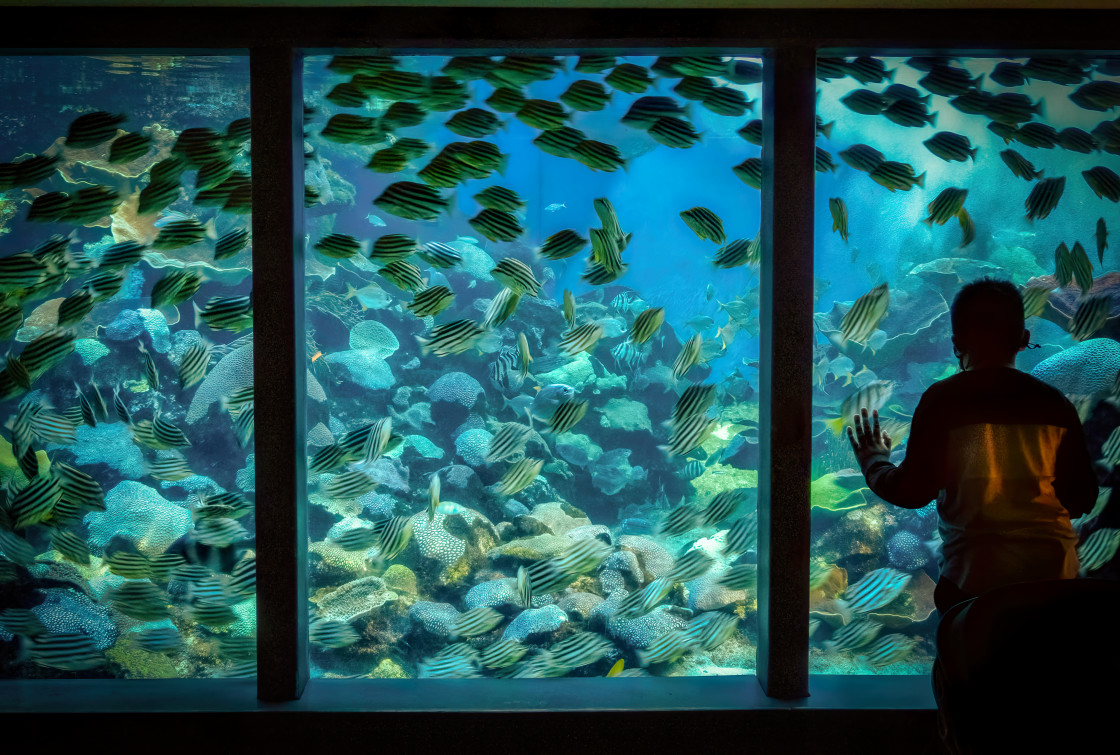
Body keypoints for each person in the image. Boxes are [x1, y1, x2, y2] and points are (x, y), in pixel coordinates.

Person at [846, 277, 1101, 753]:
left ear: (956, 341)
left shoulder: (944, 401)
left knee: (974, 723)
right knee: (1049, 718)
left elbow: (909, 491)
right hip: (1054, 587)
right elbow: (1081, 497)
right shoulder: (1054, 404)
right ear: (1023, 340)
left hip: (973, 592)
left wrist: (873, 459)